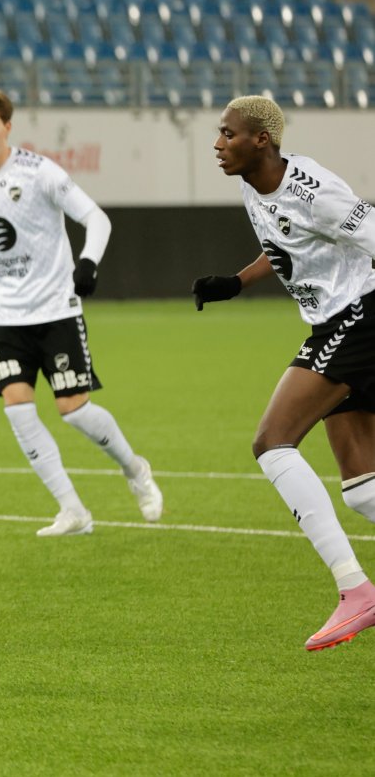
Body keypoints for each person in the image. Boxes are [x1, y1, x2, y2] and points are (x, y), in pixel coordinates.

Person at [194, 95, 375, 651]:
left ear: (261, 141)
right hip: (335, 323)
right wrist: (235, 282)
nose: (218, 143)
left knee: (272, 443)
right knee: (362, 489)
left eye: (227, 134)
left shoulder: (314, 190)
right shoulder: (254, 184)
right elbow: (281, 248)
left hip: (360, 316)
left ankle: (357, 592)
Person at [0, 87, 162, 537]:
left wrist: (88, 263)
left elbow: (97, 218)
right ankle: (73, 510)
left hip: (56, 310)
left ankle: (135, 468)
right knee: (18, 409)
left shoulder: (40, 172)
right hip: (5, 318)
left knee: (74, 410)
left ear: (7, 127)